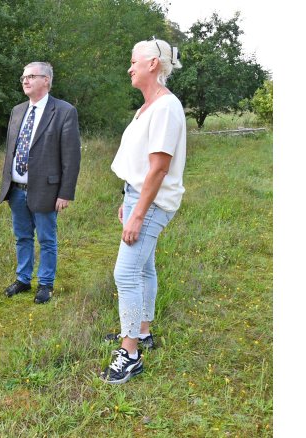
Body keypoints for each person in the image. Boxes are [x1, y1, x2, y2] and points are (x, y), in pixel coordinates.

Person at [99, 38, 186, 384]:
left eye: (134, 61)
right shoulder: (148, 107)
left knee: (126, 273)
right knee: (144, 268)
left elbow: (159, 168)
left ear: (153, 64)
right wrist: (129, 199)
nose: (129, 68)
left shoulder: (165, 107)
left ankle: (130, 352)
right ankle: (144, 331)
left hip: (152, 201)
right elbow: (141, 166)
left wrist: (138, 213)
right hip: (139, 196)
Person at [0, 62, 81, 304]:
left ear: (46, 80)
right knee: (22, 237)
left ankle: (46, 284)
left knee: (46, 239)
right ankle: (23, 279)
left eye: (31, 76)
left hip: (47, 188)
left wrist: (65, 193)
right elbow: (11, 150)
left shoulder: (64, 111)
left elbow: (71, 157)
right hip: (16, 189)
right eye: (23, 77)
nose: (25, 80)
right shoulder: (17, 111)